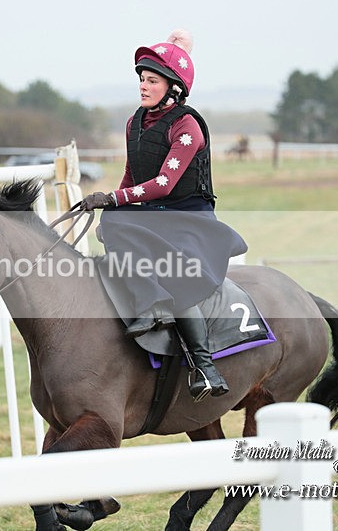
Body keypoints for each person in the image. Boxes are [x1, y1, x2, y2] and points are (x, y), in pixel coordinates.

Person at [81, 29, 247, 399]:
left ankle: (205, 367)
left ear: (173, 88)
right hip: (156, 216)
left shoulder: (187, 126)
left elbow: (165, 184)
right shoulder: (134, 122)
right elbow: (133, 175)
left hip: (190, 221)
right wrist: (110, 202)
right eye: (141, 79)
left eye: (152, 80)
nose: (143, 86)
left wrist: (111, 196)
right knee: (112, 223)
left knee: (176, 275)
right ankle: (148, 306)